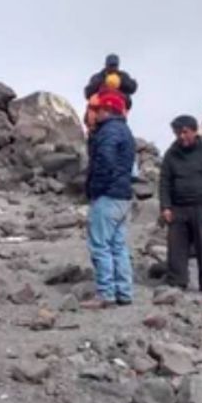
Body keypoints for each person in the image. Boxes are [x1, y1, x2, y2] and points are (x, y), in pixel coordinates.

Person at [82, 91, 136, 308]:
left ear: (107, 110)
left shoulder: (108, 131)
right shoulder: (125, 130)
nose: (95, 114)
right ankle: (124, 291)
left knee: (100, 245)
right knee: (118, 246)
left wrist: (95, 187)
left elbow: (105, 160)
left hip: (107, 195)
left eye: (98, 109)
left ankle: (106, 293)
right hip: (123, 195)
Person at [159, 115, 202, 294]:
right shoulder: (171, 154)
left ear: (194, 131)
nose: (181, 136)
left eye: (185, 132)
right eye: (177, 133)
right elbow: (164, 181)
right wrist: (165, 207)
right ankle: (177, 282)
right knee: (176, 247)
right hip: (178, 207)